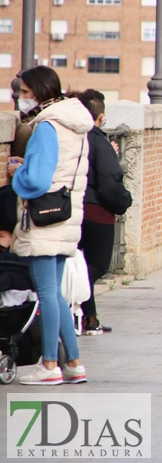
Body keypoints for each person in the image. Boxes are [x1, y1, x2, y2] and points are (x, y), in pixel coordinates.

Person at [9, 66, 92, 385]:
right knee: (55, 293)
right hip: (67, 212)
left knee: (47, 292)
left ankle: (49, 364)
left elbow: (40, 178)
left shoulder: (46, 126)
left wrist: (19, 172)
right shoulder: (75, 123)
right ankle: (73, 362)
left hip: (44, 217)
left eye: (25, 93)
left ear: (40, 93)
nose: (21, 98)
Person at [73, 89, 133, 335]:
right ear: (100, 117)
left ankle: (90, 318)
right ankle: (72, 299)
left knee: (80, 264)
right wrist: (124, 201)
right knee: (96, 266)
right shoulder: (100, 142)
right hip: (97, 212)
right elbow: (110, 183)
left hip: (72, 208)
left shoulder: (73, 138)